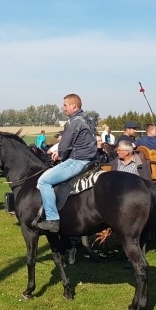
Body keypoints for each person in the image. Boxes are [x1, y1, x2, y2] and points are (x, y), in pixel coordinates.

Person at [35, 94, 98, 232]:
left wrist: (59, 155)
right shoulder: (88, 119)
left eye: (65, 105)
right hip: (92, 160)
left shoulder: (73, 121)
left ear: (73, 105)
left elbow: (64, 146)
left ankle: (52, 220)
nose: (63, 108)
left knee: (44, 181)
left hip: (77, 160)